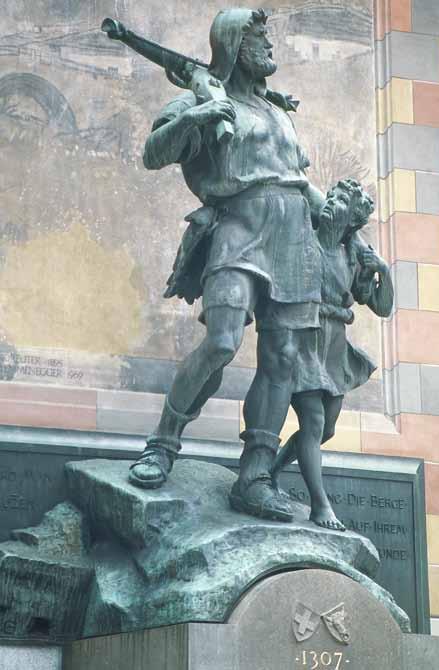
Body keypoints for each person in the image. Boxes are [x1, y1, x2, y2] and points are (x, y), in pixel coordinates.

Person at [128, 7, 326, 522]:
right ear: (236, 43)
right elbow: (153, 154)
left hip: (293, 235)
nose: (271, 49)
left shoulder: (277, 111)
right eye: (261, 39)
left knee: (282, 356)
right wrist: (195, 117)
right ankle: (162, 444)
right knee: (221, 341)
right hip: (239, 225)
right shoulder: (202, 99)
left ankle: (255, 477)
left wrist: (346, 229)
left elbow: (301, 181)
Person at [271, 179, 394, 530]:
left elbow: (383, 308)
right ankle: (320, 504)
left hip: (335, 347)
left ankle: (272, 471)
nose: (330, 202)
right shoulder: (302, 240)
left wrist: (383, 271)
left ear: (352, 220)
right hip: (304, 338)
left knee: (326, 430)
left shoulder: (351, 256)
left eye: (340, 201)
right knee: (312, 421)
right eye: (332, 196)